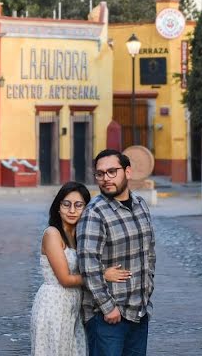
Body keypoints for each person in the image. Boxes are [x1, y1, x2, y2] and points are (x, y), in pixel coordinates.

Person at [31, 182, 131, 356]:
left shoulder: (80, 237)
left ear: (86, 209)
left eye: (78, 205)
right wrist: (103, 275)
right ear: (58, 208)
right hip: (53, 304)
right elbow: (65, 279)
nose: (72, 210)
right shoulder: (52, 234)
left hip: (73, 307)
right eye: (66, 204)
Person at [77, 150, 156, 356]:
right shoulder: (94, 213)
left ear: (127, 172)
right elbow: (88, 265)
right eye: (100, 174)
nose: (106, 179)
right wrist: (107, 307)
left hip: (139, 312)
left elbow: (149, 251)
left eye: (112, 171)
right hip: (108, 318)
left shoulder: (140, 205)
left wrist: (147, 290)